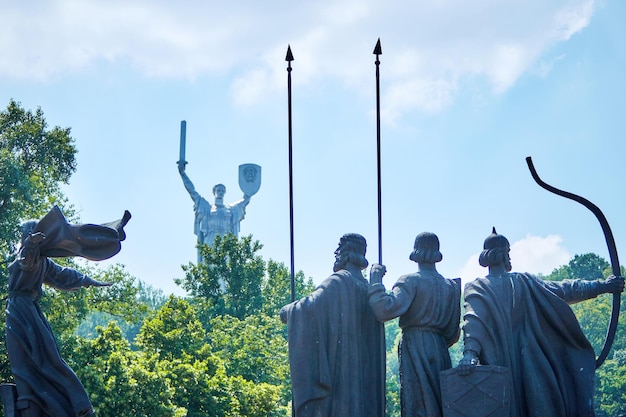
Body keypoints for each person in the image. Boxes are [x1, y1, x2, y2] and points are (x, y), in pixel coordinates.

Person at [458, 228, 624, 417]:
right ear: (504, 255)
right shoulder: (514, 283)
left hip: (521, 366)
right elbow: (565, 289)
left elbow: (473, 321)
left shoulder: (502, 284)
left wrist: (470, 354)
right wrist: (602, 286)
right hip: (521, 366)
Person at [5, 205, 130, 417]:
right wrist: (30, 245)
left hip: (23, 313)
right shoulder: (33, 258)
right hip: (24, 313)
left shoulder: (38, 259)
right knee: (36, 361)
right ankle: (59, 403)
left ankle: (74, 405)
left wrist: (88, 280)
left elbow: (56, 272)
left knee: (40, 361)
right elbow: (37, 264)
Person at [280, 233, 385, 417]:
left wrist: (289, 311)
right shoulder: (369, 289)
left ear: (344, 253)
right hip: (364, 388)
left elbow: (309, 307)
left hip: (341, 382)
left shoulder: (337, 282)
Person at [369, 232, 461, 417]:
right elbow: (453, 332)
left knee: (418, 402)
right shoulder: (450, 287)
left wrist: (375, 281)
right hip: (440, 348)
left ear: (416, 252)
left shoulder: (410, 281)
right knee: (438, 401)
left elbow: (384, 310)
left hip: (415, 346)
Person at [178, 163, 250, 260]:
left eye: (222, 191)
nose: (220, 192)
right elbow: (192, 192)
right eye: (218, 190)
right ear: (214, 192)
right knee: (209, 265)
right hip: (210, 240)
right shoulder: (207, 207)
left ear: (224, 193)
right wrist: (183, 174)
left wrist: (249, 187)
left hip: (225, 241)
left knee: (226, 268)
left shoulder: (230, 209)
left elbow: (245, 200)